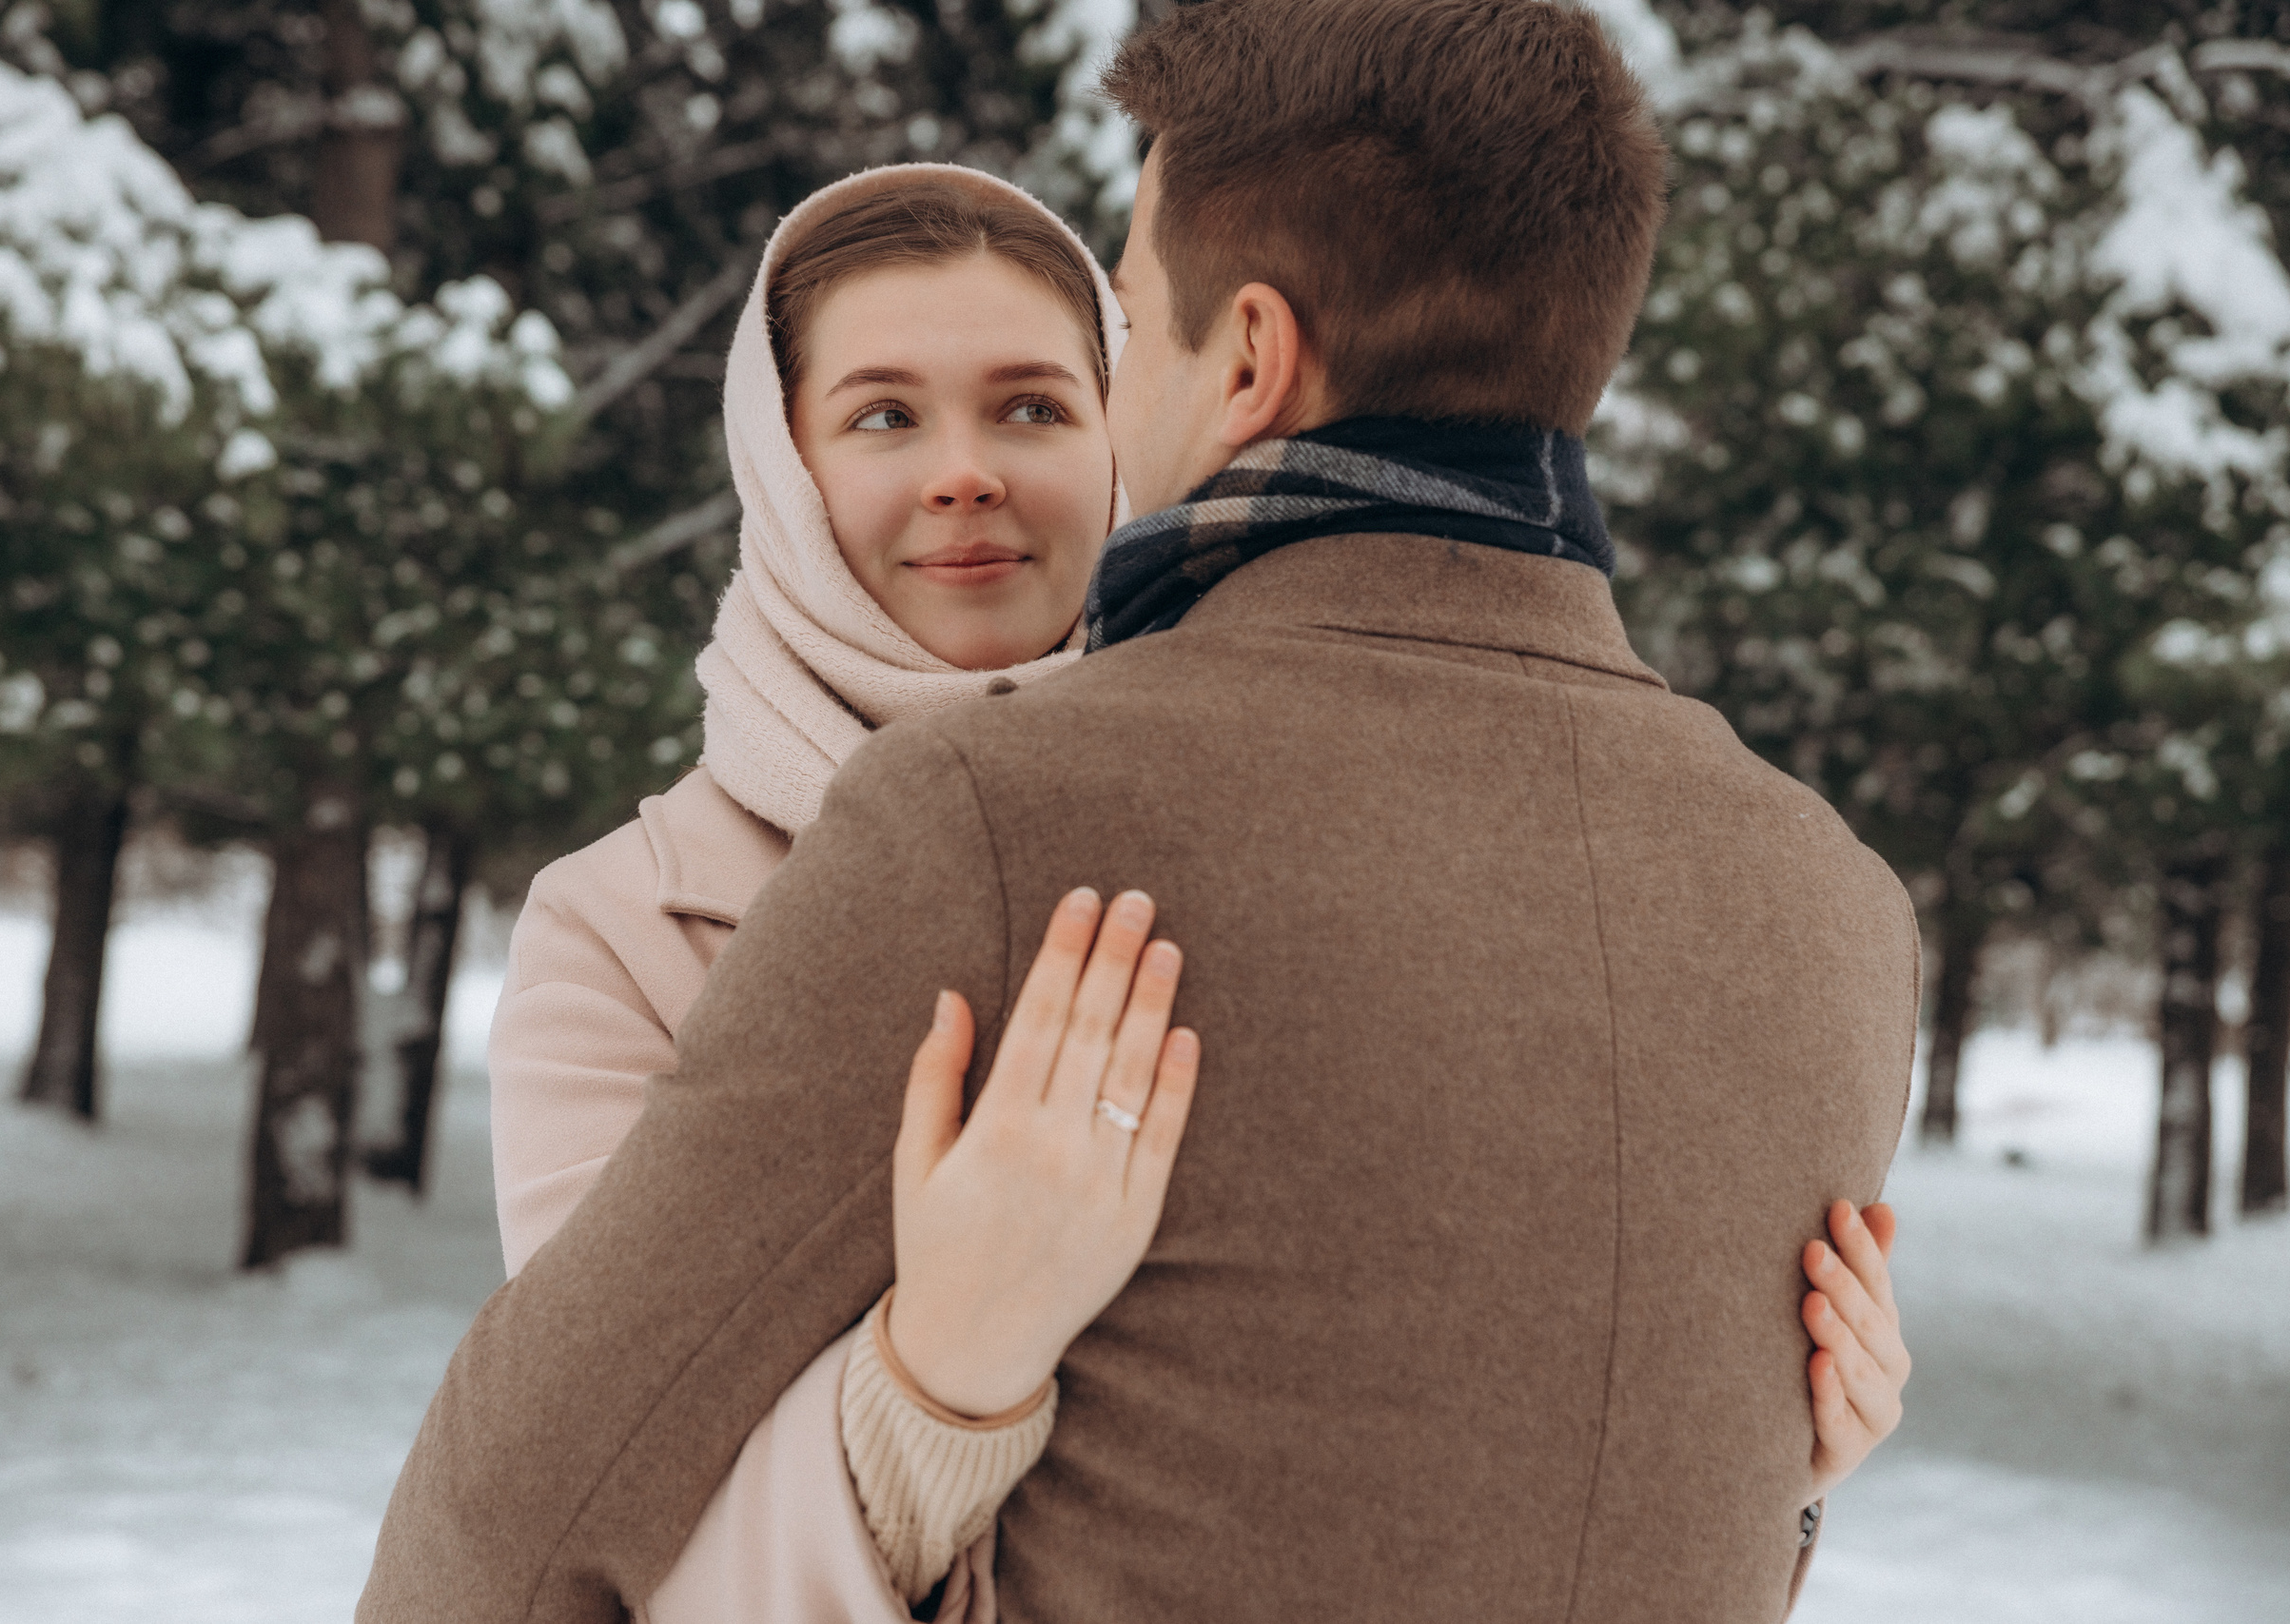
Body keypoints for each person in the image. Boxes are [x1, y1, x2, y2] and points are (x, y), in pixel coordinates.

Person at [362, 3, 1922, 1620]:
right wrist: (940, 1369)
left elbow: (516, 1532)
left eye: (1102, 353)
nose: (973, 472)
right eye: (884, 414)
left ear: (1243, 356)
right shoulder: (1835, 906)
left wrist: (1766, 1467)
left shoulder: (1003, 811)